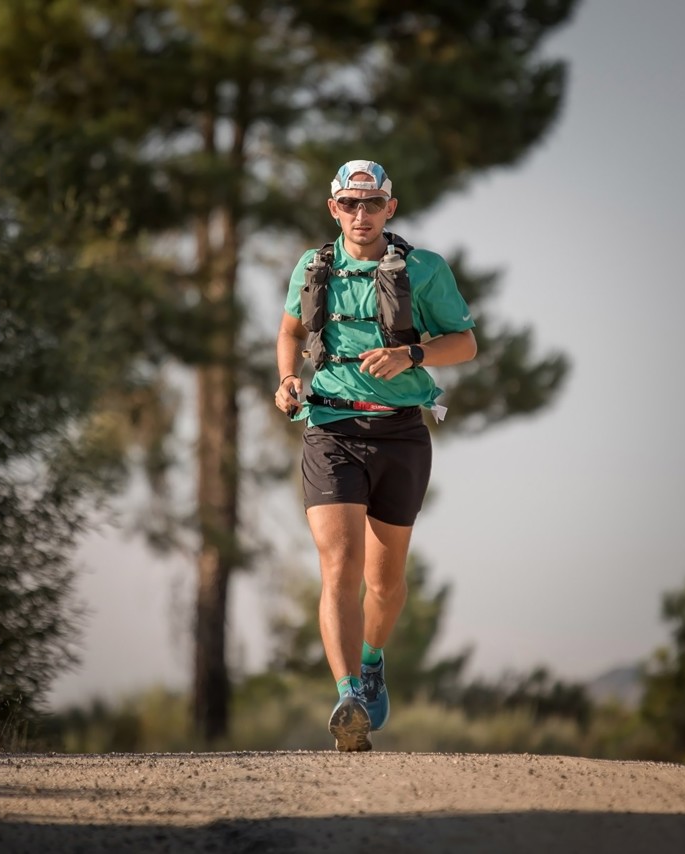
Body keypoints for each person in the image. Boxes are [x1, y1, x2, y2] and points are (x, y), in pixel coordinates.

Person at [274, 160, 478, 751]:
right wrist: (287, 380)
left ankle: (369, 662)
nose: (359, 215)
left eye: (371, 204)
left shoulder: (424, 269)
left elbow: (465, 343)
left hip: (401, 433)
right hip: (330, 427)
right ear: (332, 208)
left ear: (391, 207)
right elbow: (290, 331)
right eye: (348, 204)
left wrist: (411, 355)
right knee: (339, 565)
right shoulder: (314, 267)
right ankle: (347, 697)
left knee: (385, 584)